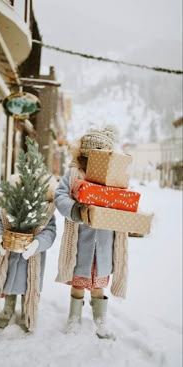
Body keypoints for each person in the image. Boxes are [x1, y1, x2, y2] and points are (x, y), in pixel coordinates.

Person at [54, 127, 128, 339]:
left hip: (104, 243)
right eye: (89, 156)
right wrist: (76, 209)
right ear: (83, 154)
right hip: (80, 241)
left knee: (98, 286)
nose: (94, 161)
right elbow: (60, 196)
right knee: (78, 284)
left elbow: (122, 199)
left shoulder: (112, 176)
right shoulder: (74, 174)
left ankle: (100, 321)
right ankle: (74, 319)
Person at [0, 175, 57, 332]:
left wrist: (38, 243)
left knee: (28, 285)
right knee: (9, 282)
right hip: (11, 253)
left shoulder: (46, 211)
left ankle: (28, 312)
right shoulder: (10, 207)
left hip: (32, 257)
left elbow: (50, 232)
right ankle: (8, 310)